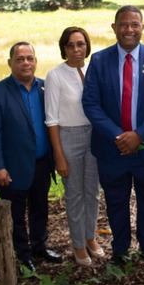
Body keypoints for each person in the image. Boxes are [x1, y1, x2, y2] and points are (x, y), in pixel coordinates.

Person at [82, 5, 144, 267]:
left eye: (135, 24)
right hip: (112, 150)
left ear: (143, 28)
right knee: (116, 201)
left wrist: (140, 135)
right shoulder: (99, 60)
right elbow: (91, 104)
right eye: (123, 24)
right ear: (114, 28)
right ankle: (120, 248)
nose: (129, 30)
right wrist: (120, 136)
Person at [0, 42, 62, 273]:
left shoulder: (46, 88)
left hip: (42, 163)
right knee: (16, 215)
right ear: (10, 63)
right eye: (20, 59)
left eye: (30, 58)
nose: (26, 63)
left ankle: (40, 246)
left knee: (40, 208)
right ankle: (22, 254)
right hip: (13, 167)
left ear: (36, 61)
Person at [44, 27, 103, 267]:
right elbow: (51, 119)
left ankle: (90, 236)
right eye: (71, 45)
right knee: (75, 194)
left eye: (81, 43)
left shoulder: (95, 69)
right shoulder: (55, 75)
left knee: (93, 191)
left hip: (95, 136)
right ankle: (78, 244)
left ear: (87, 46)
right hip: (69, 137)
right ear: (64, 48)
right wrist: (59, 155)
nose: (77, 49)